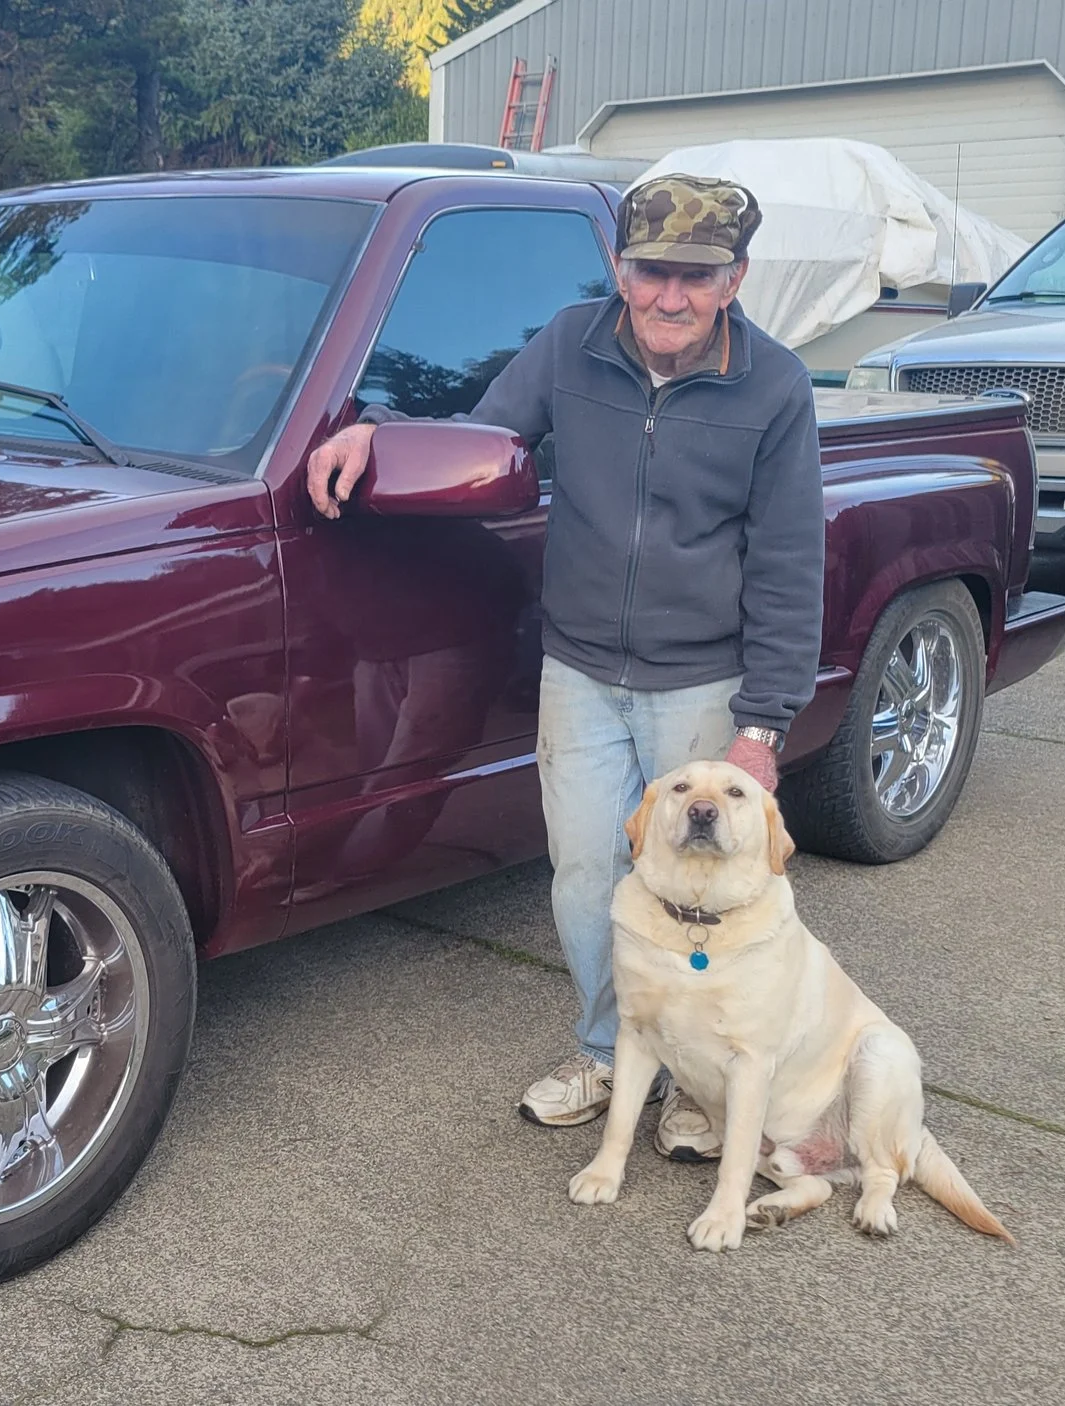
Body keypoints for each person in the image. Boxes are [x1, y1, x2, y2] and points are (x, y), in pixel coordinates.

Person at [304, 175, 825, 1159]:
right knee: (587, 877)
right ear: (618, 270)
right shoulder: (566, 344)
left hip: (701, 683)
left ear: (735, 278)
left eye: (695, 275)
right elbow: (483, 430)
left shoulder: (776, 387)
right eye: (648, 271)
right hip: (579, 671)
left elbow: (792, 565)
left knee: (700, 892)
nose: (668, 295)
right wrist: (374, 426)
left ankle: (696, 1082)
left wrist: (761, 727)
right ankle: (606, 1052)